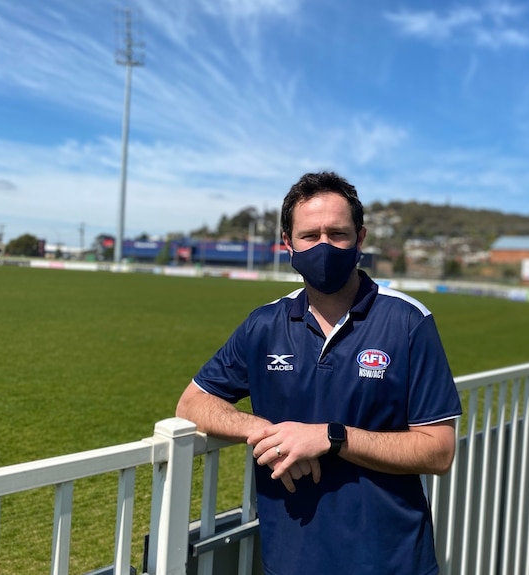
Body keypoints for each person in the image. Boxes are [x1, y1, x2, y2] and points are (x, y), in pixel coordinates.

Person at [175, 171, 462, 575]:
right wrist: (270, 434)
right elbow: (192, 403)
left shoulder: (408, 321)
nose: (324, 246)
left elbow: (438, 450)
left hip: (392, 561)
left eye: (337, 234)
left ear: (359, 240)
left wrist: (331, 437)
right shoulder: (264, 325)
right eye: (310, 236)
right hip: (290, 560)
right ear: (288, 244)